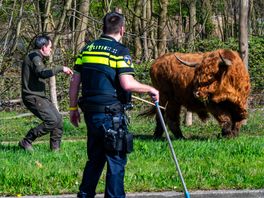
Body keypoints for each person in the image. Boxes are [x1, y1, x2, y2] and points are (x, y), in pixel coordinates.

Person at [69, 12, 159, 198]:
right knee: (116, 161)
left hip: (91, 113)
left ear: (103, 27)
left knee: (95, 159)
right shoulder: (119, 51)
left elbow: (75, 82)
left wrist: (72, 109)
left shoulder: (87, 49)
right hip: (112, 116)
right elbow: (127, 83)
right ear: (122, 29)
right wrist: (150, 89)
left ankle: (85, 195)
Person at [19, 35, 73, 151]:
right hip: (32, 96)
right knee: (52, 120)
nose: (51, 49)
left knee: (58, 120)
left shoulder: (36, 56)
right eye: (50, 47)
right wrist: (61, 68)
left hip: (39, 96)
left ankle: (55, 151)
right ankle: (26, 141)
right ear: (43, 47)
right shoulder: (34, 57)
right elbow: (42, 72)